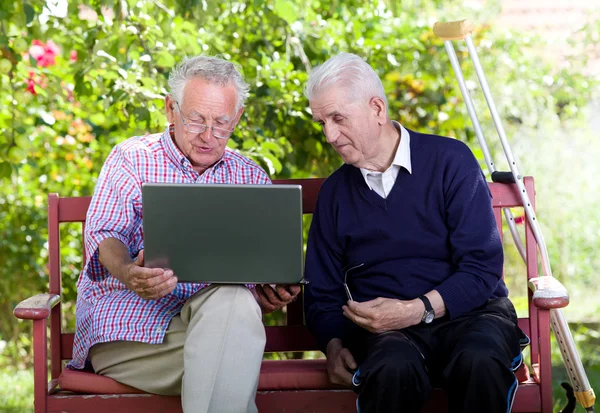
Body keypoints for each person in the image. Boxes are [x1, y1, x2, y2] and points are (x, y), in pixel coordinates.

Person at [69, 55, 301, 413]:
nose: (208, 136)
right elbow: (105, 235)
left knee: (235, 304)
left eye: (222, 124)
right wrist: (129, 272)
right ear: (170, 109)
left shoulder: (251, 178)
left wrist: (268, 292)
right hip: (134, 336)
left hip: (217, 328)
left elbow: (255, 279)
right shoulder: (131, 158)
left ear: (237, 119)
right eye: (196, 120)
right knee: (230, 357)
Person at [303, 52, 526, 413]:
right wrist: (332, 343)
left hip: (471, 314)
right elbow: (322, 292)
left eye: (338, 118)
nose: (329, 134)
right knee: (391, 368)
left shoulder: (450, 161)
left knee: (479, 360)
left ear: (377, 108)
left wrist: (415, 310)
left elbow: (481, 268)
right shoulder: (335, 193)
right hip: (386, 334)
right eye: (321, 122)